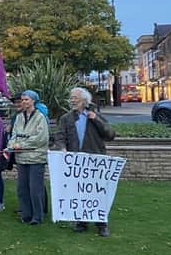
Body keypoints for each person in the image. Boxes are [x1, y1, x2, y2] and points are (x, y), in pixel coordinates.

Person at [54, 87, 116, 237]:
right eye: (71, 98)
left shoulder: (95, 115)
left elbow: (110, 135)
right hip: (76, 163)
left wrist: (96, 120)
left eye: (75, 98)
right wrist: (62, 148)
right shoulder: (66, 118)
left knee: (97, 194)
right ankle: (82, 222)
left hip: (94, 162)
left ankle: (102, 224)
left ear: (84, 100)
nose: (72, 100)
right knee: (79, 193)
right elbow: (59, 136)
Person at [7, 90, 49, 225]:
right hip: (21, 158)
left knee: (35, 189)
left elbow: (40, 138)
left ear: (33, 101)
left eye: (27, 100)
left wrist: (22, 144)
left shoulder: (40, 117)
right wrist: (12, 144)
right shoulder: (19, 117)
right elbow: (14, 134)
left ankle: (37, 216)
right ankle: (26, 214)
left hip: (36, 158)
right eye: (23, 100)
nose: (24, 102)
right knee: (22, 188)